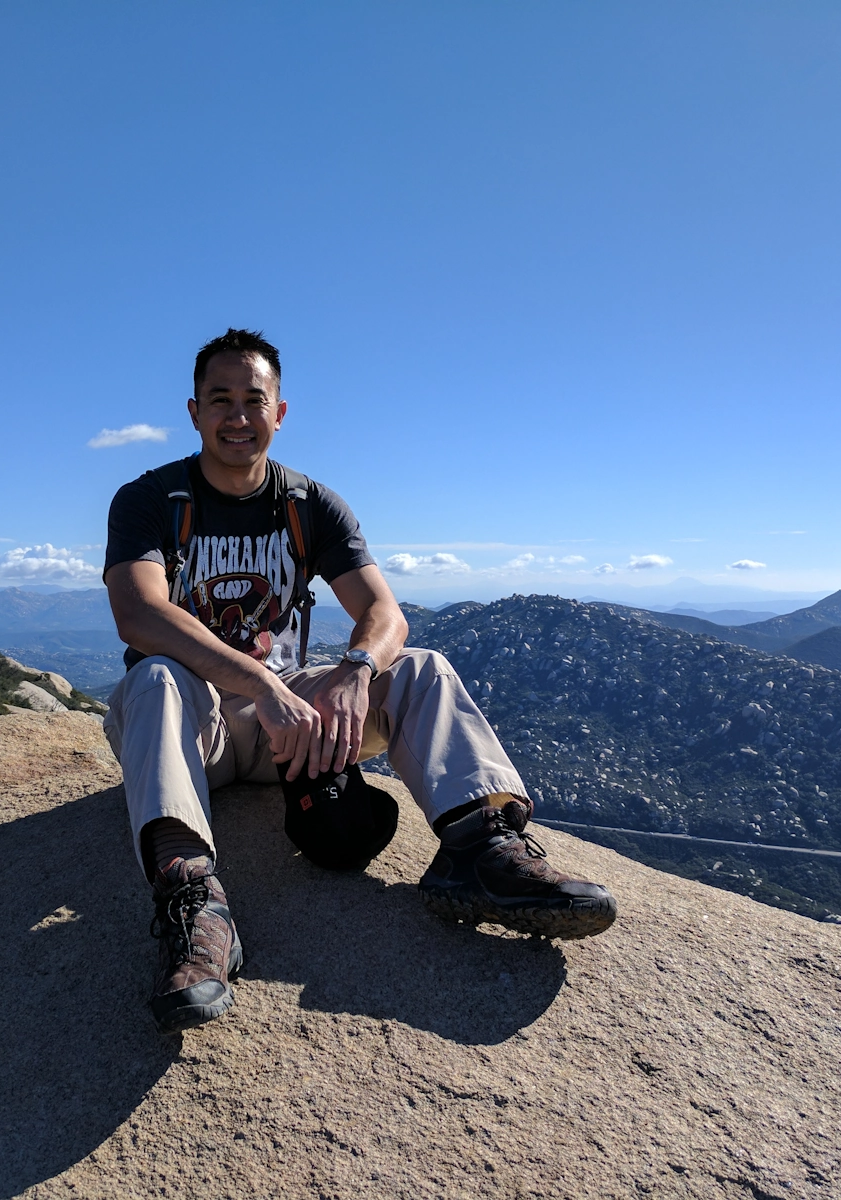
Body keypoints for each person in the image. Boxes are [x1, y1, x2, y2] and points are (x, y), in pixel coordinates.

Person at [103, 329, 616, 1033]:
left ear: (280, 413)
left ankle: (481, 846)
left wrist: (356, 670)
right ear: (193, 412)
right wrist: (261, 684)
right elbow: (139, 613)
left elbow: (383, 613)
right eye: (220, 400)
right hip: (197, 729)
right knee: (157, 676)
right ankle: (193, 902)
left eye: (254, 400)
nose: (238, 416)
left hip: (293, 727)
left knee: (423, 668)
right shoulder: (149, 500)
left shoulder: (311, 503)